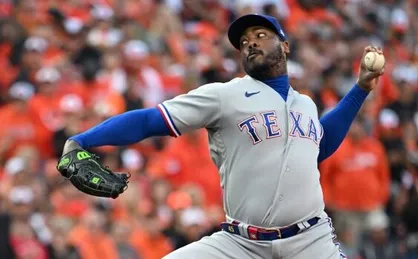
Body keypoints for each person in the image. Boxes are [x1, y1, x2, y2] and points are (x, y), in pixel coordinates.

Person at [59, 14, 384, 258]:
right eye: (244, 43)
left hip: (311, 242)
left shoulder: (306, 104)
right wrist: (82, 141)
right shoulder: (225, 96)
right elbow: (149, 120)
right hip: (239, 244)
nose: (251, 43)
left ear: (285, 46)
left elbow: (321, 145)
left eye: (261, 35)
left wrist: (360, 89)